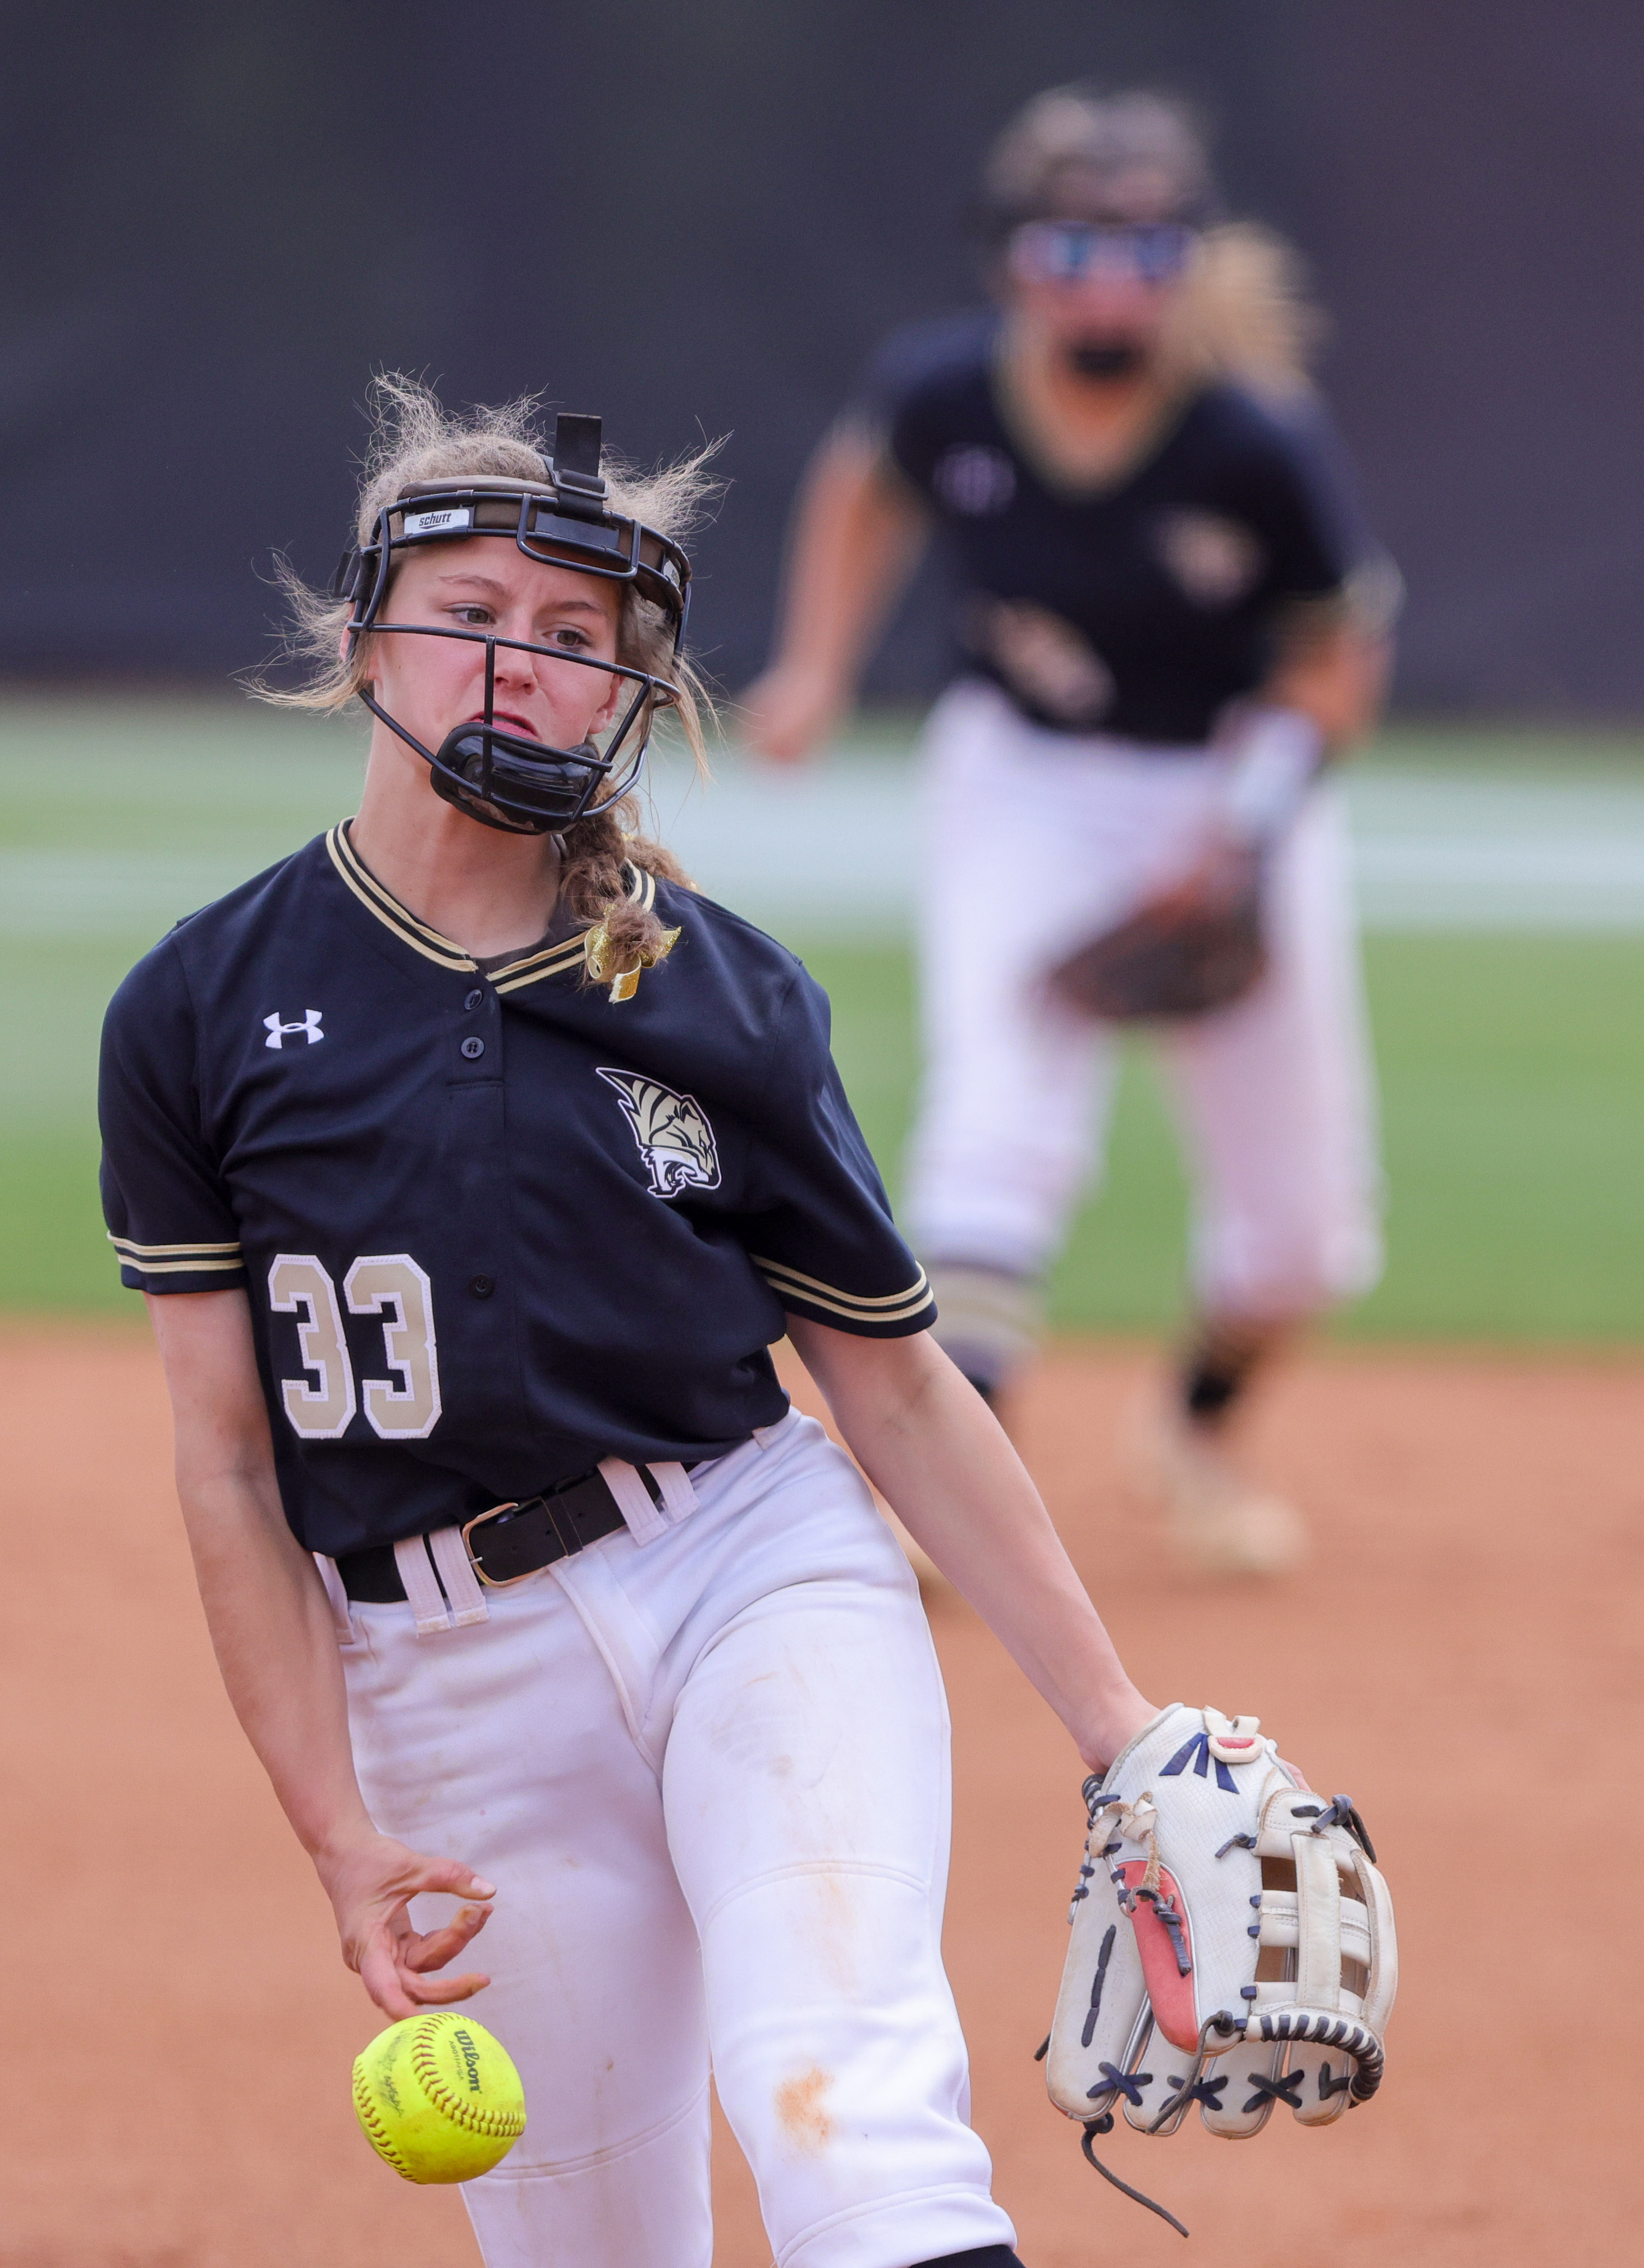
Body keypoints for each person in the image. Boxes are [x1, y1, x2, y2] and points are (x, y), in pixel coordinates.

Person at [98, 376, 1160, 2268]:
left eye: (576, 637)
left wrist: (1123, 1735)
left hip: (754, 1572)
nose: (520, 664)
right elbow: (228, 1460)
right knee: (593, 2245)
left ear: (632, 692)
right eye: (475, 614)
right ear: (366, 643)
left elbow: (897, 1389)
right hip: (444, 1681)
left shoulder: (714, 994)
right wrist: (337, 1831)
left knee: (849, 2115)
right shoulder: (197, 1012)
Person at [744, 87, 1395, 1575]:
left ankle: (1196, 1430)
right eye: (1074, 240)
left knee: (1299, 1230)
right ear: (1010, 258)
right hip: (1023, 779)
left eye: (1145, 242)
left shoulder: (1250, 439)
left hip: (1227, 790)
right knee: (996, 1116)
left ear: (1188, 258)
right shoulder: (945, 390)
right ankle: (951, 1487)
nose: (1109, 275)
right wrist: (817, 662)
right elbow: (864, 486)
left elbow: (1335, 661)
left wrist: (1237, 839)